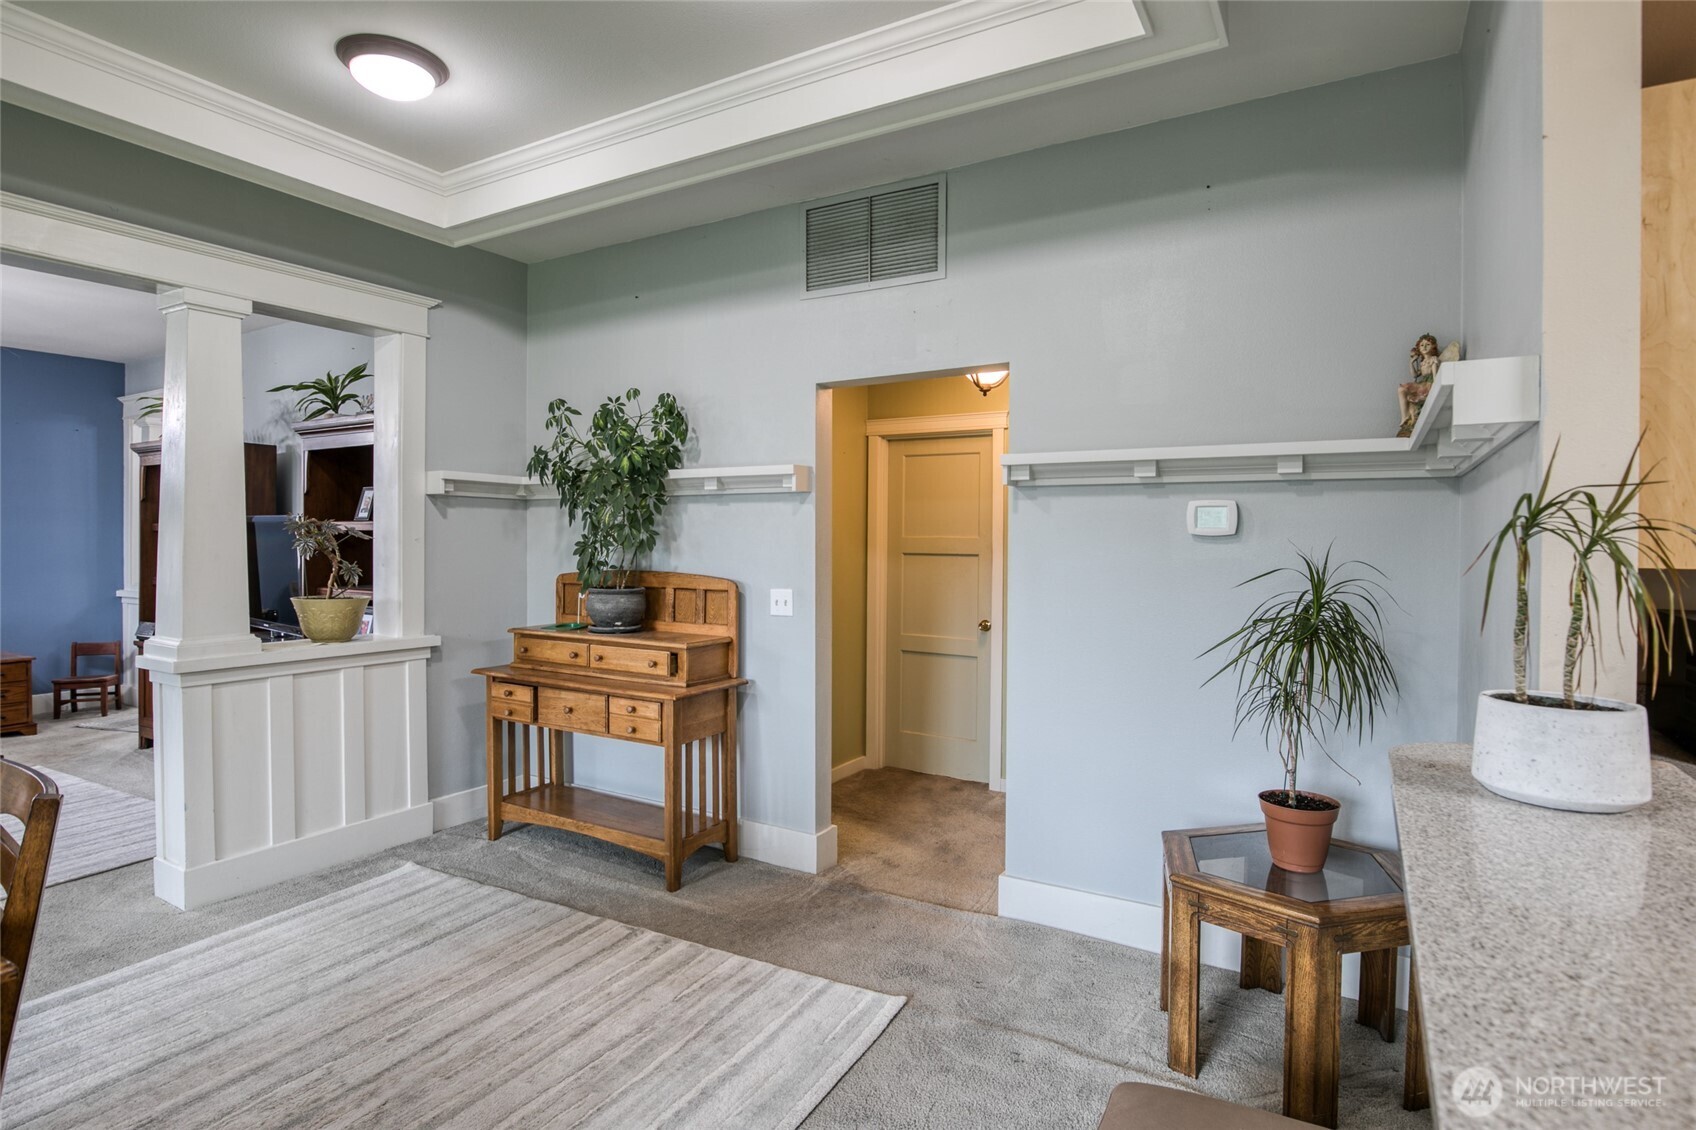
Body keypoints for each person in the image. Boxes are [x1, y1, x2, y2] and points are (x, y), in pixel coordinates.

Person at [1397, 333, 1441, 437]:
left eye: (1428, 344)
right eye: (1422, 345)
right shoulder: (1422, 362)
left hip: (1428, 385)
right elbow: (1415, 375)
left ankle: (1406, 417)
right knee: (1401, 389)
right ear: (1418, 348)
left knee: (1403, 389)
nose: (1424, 347)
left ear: (1433, 346)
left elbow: (1435, 376)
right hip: (1422, 383)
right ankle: (1405, 417)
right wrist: (1412, 362)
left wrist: (1434, 389)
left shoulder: (1433, 359)